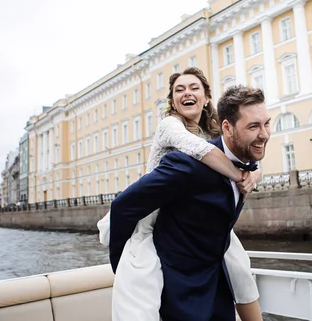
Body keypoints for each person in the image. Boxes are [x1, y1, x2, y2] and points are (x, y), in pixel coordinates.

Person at [99, 68, 262, 320]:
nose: (187, 93)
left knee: (239, 268)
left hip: (192, 220)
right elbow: (199, 151)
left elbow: (239, 150)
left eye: (194, 88)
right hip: (152, 217)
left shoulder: (212, 130)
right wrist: (240, 175)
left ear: (206, 98)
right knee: (141, 298)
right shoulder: (170, 125)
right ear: (173, 101)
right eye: (179, 90)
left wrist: (255, 172)